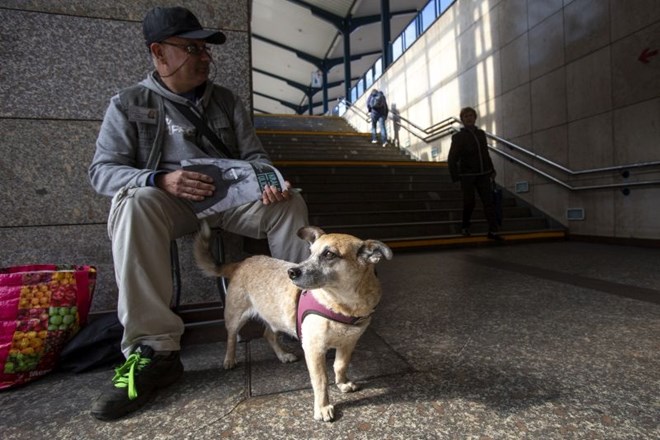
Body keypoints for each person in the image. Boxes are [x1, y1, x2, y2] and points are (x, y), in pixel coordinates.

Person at [88, 6, 310, 420]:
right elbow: (101, 172)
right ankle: (155, 350)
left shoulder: (226, 101)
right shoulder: (128, 103)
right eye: (192, 48)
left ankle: (300, 315)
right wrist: (158, 180)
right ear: (159, 53)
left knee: (290, 205)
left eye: (207, 50)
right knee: (133, 204)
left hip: (230, 203)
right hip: (169, 204)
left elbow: (255, 156)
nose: (205, 58)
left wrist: (268, 183)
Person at [447, 107, 502, 240]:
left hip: (483, 173)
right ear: (462, 120)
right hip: (467, 175)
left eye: (471, 115)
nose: (469, 118)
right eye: (466, 116)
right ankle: (465, 226)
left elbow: (485, 153)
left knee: (488, 202)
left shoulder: (481, 134)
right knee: (469, 202)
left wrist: (492, 170)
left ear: (475, 117)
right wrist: (455, 177)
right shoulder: (458, 137)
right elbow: (452, 158)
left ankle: (493, 231)